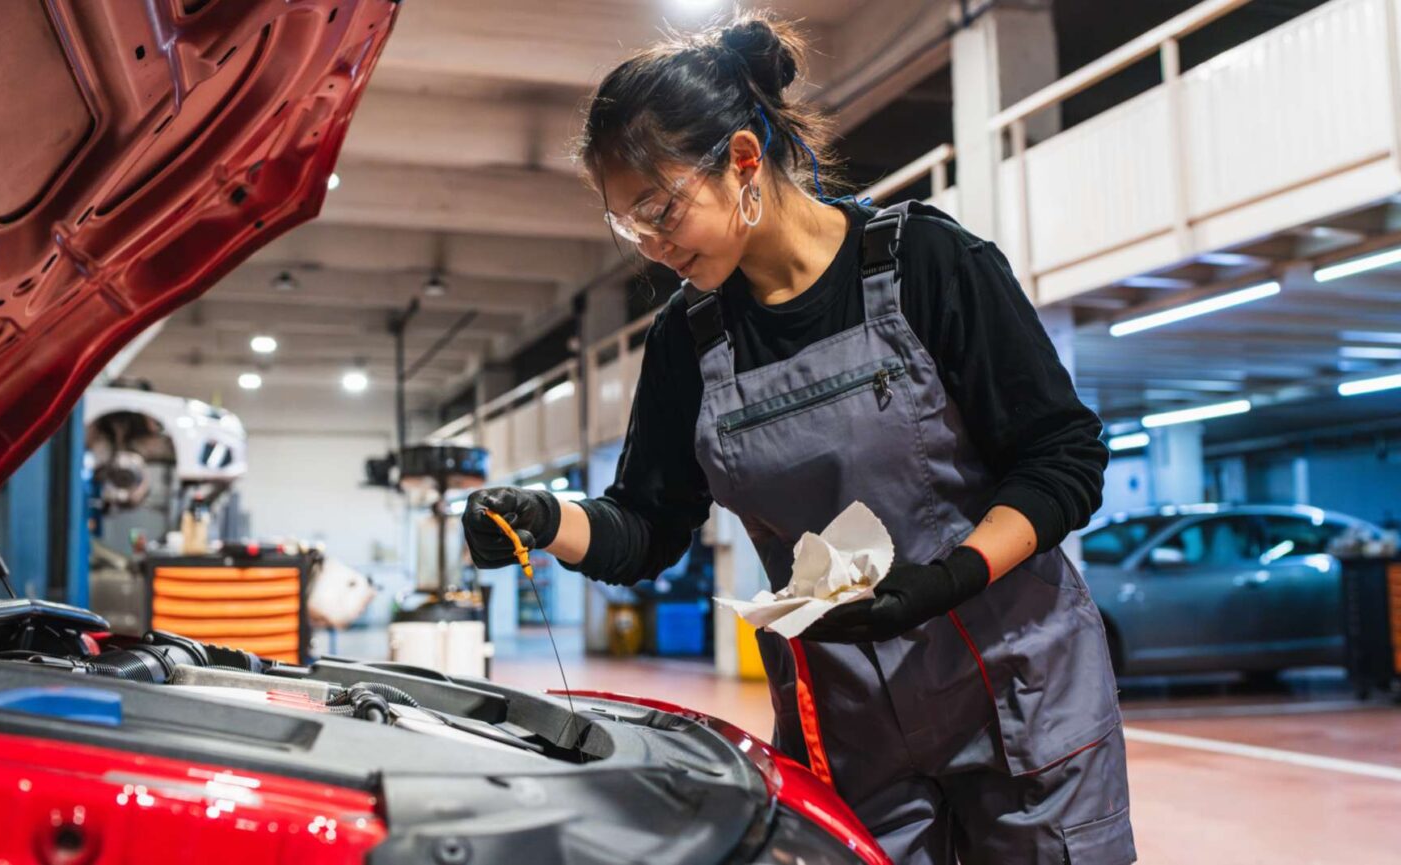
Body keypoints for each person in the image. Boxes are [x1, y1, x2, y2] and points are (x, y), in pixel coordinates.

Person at [463, 14, 1134, 864]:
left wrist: (947, 578)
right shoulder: (688, 340)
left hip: (1020, 690)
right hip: (849, 722)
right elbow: (647, 524)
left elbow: (1063, 457)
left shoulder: (928, 262)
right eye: (630, 226)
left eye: (661, 209)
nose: (654, 245)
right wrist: (540, 515)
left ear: (743, 159)